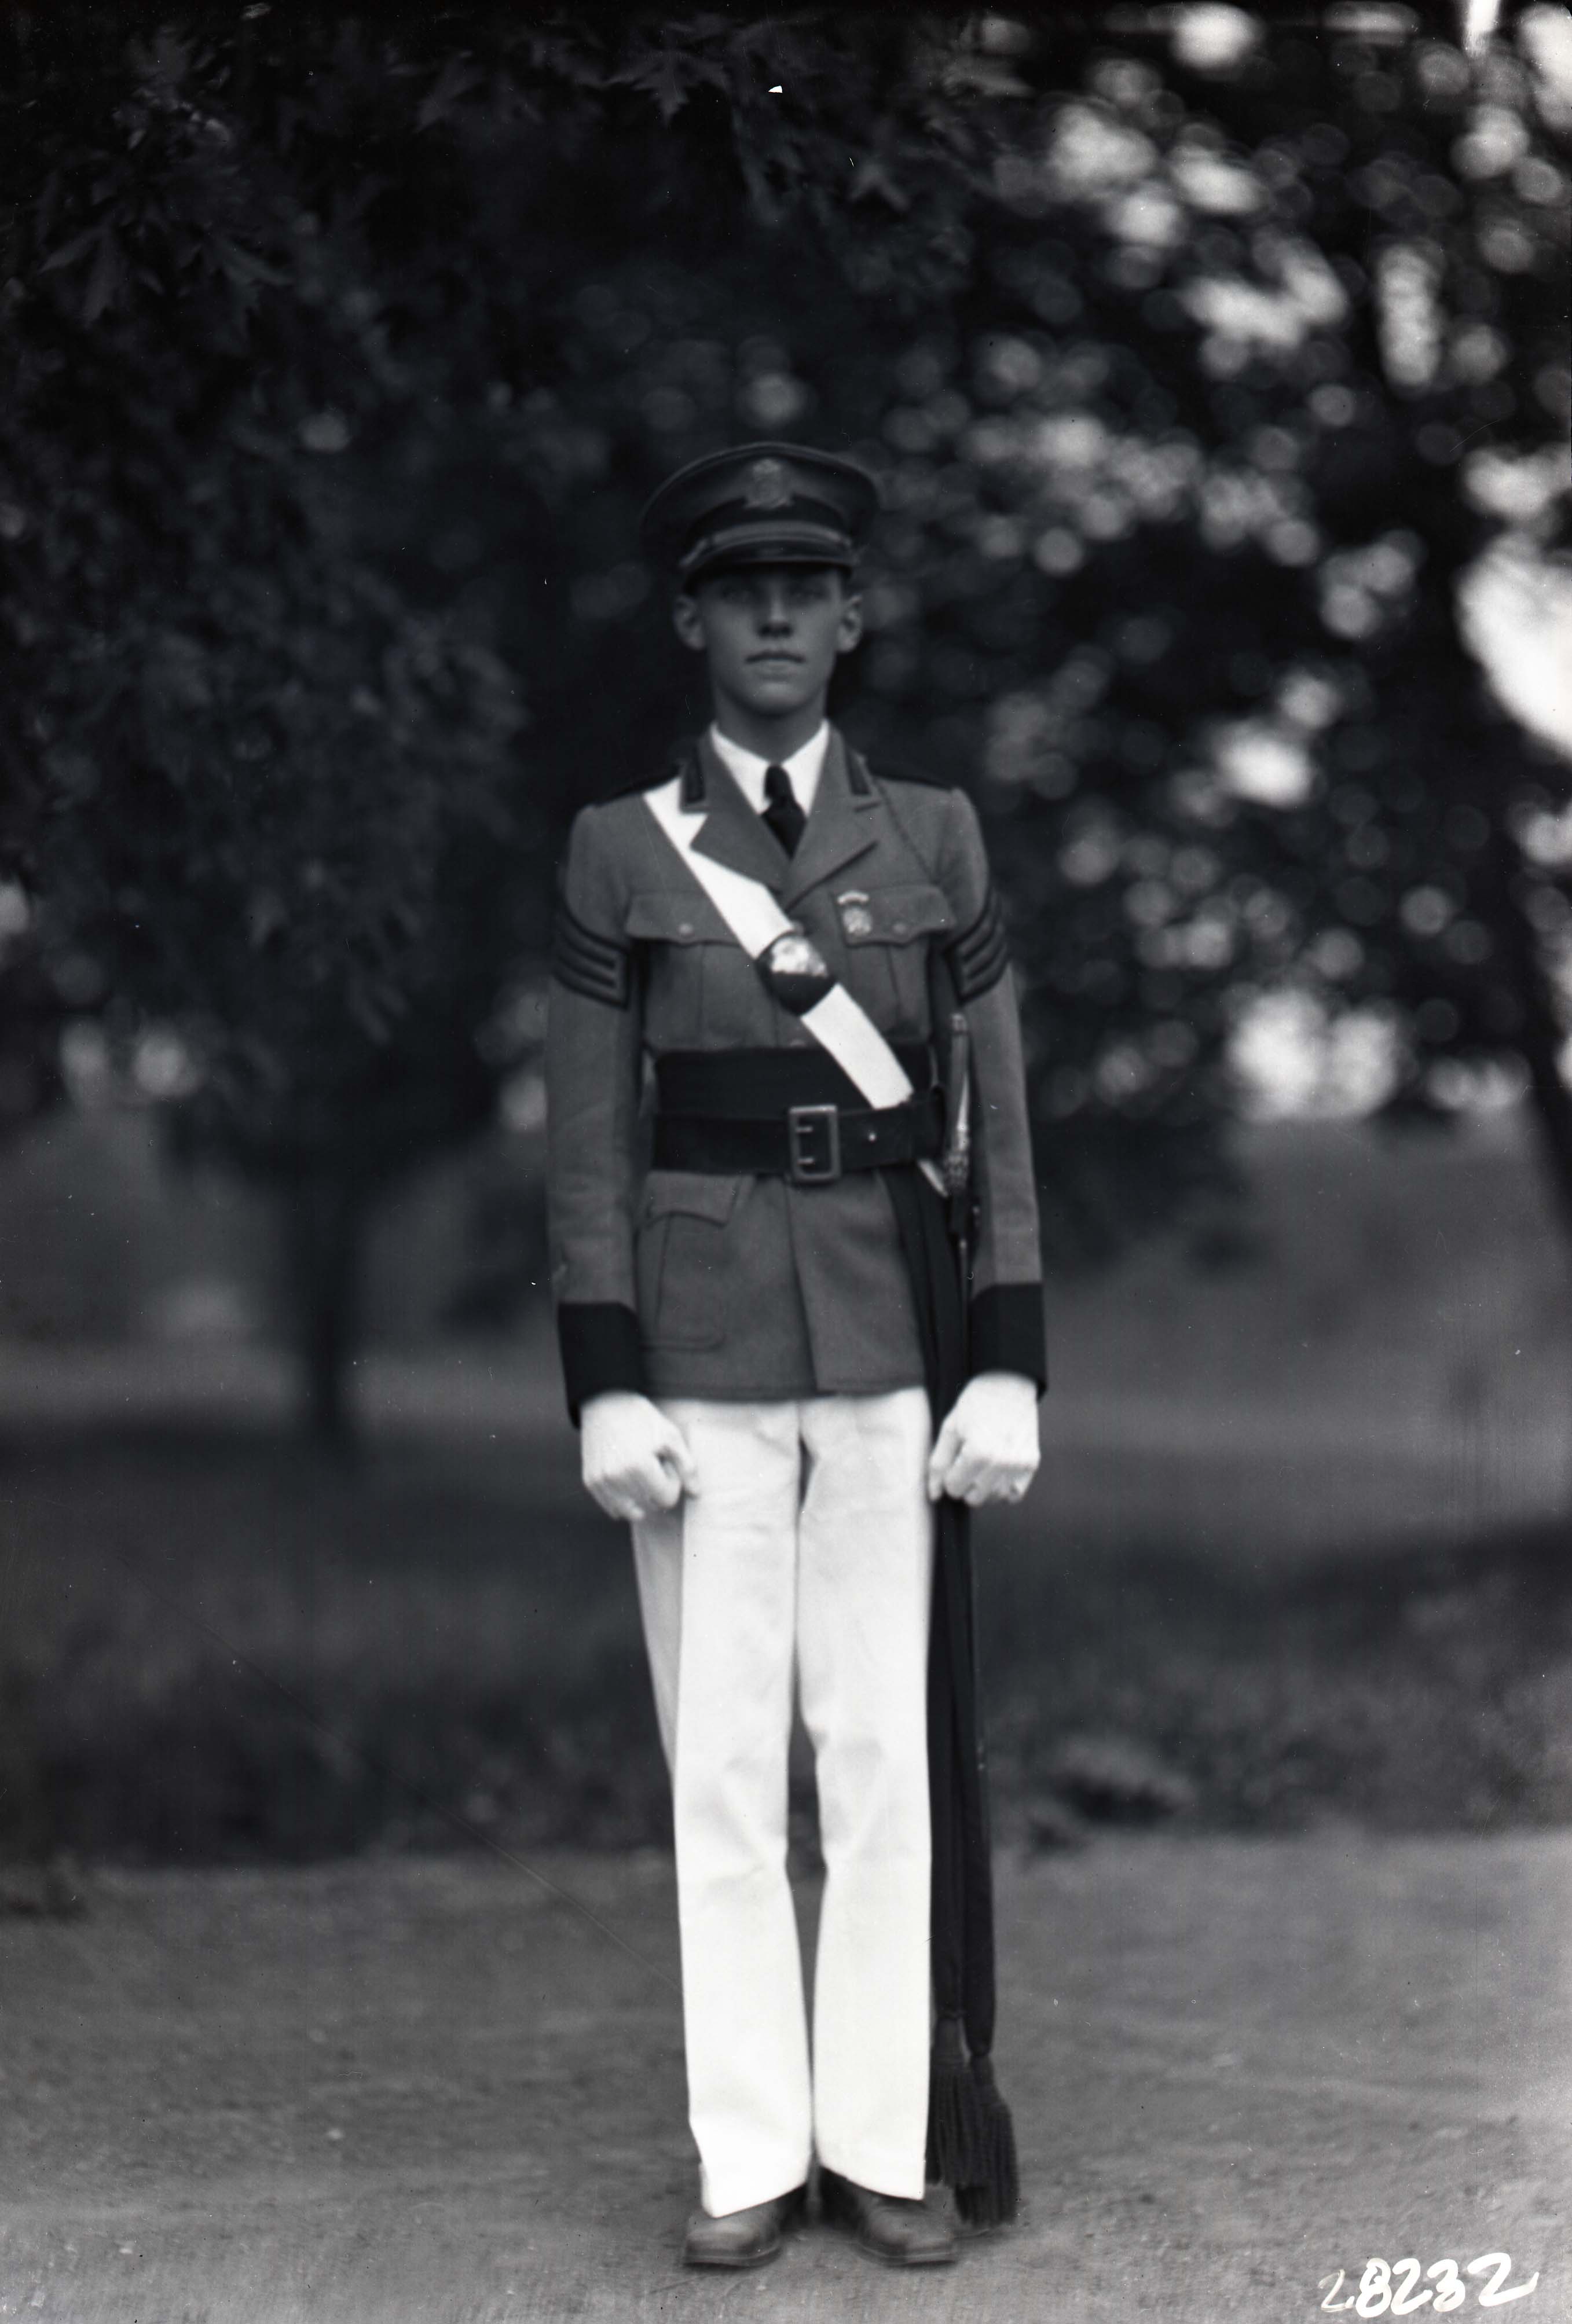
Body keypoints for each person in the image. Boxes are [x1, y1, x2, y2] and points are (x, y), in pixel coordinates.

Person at [544, 441, 1045, 2271]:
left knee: (882, 1755)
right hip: (697, 1356)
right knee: (725, 1772)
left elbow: (998, 1115)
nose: (773, 615)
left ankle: (882, 2141)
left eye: (804, 588)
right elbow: (586, 1137)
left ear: (851, 620)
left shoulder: (933, 837)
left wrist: (1009, 1358)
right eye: (739, 589)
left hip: (893, 1332)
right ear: (691, 622)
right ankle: (751, 2149)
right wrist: (603, 1377)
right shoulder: (621, 849)